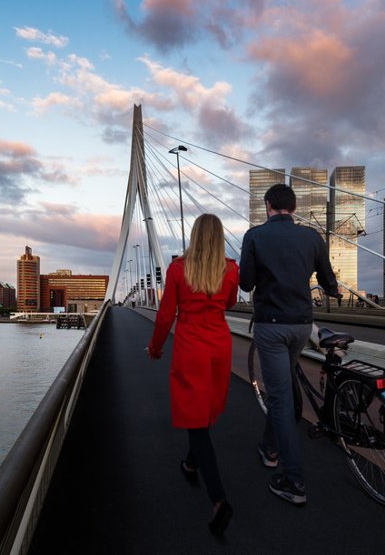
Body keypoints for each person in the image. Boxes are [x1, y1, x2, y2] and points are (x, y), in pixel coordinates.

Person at [239, 183, 340, 506]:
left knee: (280, 400)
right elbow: (327, 279)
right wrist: (334, 290)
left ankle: (294, 481)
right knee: (282, 392)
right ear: (293, 208)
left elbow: (246, 283)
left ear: (268, 205)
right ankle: (269, 449)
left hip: (271, 327)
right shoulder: (312, 237)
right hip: (301, 325)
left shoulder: (254, 236)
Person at [147, 214, 239, 536]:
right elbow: (229, 302)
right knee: (205, 411)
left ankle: (218, 499)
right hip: (219, 345)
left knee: (196, 419)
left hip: (191, 347)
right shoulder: (230, 269)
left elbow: (165, 315)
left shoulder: (177, 269)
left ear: (195, 235)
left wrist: (156, 347)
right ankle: (189, 464)